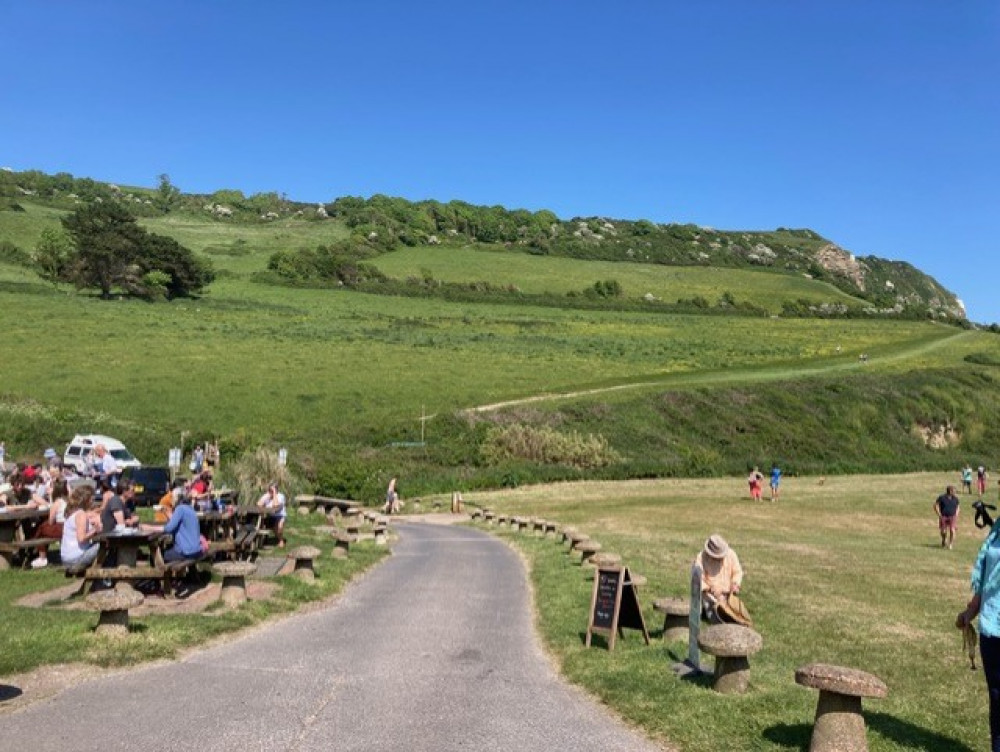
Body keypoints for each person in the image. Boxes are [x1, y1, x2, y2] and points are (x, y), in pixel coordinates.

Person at [957, 520, 1000, 751]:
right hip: (992, 627)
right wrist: (971, 611)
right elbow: (987, 578)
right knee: (997, 698)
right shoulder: (997, 531)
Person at [693, 534, 747, 624]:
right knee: (718, 621)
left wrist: (735, 584)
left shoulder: (731, 554)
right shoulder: (701, 558)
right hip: (710, 596)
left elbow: (738, 571)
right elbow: (697, 580)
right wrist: (709, 588)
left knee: (738, 617)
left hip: (728, 594)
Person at [143, 493, 203, 563]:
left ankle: (164, 572)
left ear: (177, 499)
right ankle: (183, 572)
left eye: (173, 498)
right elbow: (175, 521)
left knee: (160, 556)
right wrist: (165, 511)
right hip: (197, 550)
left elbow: (169, 528)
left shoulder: (180, 509)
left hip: (186, 552)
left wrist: (149, 528)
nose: (171, 500)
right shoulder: (190, 508)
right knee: (169, 548)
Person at [60, 485, 102, 569]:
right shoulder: (80, 514)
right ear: (86, 500)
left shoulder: (73, 512)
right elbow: (81, 538)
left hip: (67, 557)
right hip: (75, 558)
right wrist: (95, 530)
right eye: (91, 499)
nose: (93, 501)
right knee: (106, 545)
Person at [31, 476, 70, 568]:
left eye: (51, 487)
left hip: (61, 527)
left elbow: (51, 521)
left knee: (40, 528)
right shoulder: (67, 501)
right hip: (67, 526)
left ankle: (42, 557)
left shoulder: (57, 503)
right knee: (42, 527)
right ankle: (37, 553)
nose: (48, 488)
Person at [257, 483, 286, 548]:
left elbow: (275, 505)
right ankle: (260, 541)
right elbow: (259, 504)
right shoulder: (266, 495)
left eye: (272, 490)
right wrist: (267, 497)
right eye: (270, 489)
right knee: (258, 523)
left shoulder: (281, 496)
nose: (271, 491)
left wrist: (274, 494)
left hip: (280, 515)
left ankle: (281, 540)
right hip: (270, 515)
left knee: (279, 527)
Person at [934, 485, 961, 550]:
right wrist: (939, 514)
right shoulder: (942, 497)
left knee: (952, 530)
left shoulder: (955, 498)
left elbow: (958, 507)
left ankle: (950, 544)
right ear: (950, 491)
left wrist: (956, 514)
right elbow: (935, 505)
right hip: (943, 516)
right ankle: (944, 539)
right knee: (943, 531)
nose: (955, 492)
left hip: (952, 516)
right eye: (954, 491)